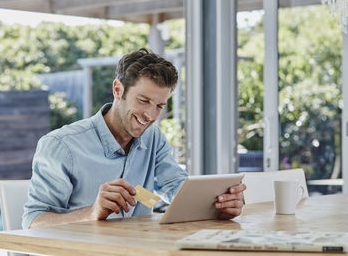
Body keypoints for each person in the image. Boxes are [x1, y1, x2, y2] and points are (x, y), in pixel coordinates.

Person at [22, 48, 246, 229]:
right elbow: (33, 222)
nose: (150, 116)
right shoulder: (61, 146)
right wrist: (91, 213)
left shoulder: (153, 138)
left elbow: (174, 186)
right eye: (143, 100)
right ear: (118, 90)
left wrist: (218, 205)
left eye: (159, 106)